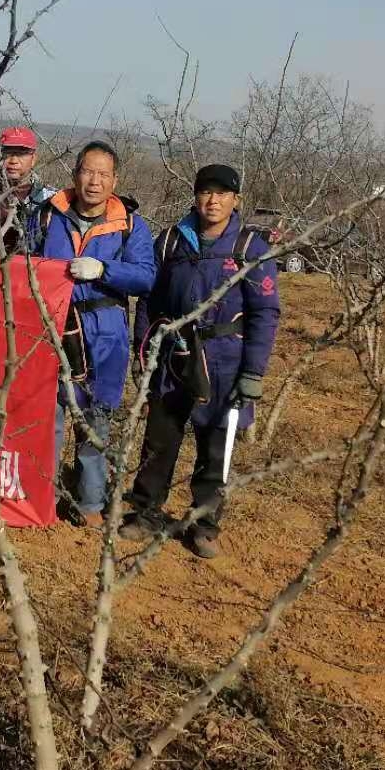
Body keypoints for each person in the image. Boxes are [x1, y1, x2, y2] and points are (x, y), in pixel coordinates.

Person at [123, 163, 281, 559]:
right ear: (195, 196)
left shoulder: (249, 249)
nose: (213, 201)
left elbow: (265, 312)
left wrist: (253, 372)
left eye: (222, 194)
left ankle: (204, 524)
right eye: (206, 192)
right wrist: (144, 350)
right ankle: (146, 512)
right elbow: (149, 300)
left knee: (216, 445)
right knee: (160, 438)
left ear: (235, 200)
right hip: (173, 354)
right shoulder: (172, 242)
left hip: (224, 360)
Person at [40, 141, 157, 527]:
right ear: (75, 174)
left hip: (106, 334)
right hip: (54, 327)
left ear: (114, 180)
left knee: (96, 419)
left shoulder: (130, 224)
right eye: (88, 172)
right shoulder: (49, 215)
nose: (94, 181)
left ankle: (90, 503)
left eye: (103, 174)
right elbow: (25, 262)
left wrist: (104, 270)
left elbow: (146, 276)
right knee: (49, 416)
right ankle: (44, 495)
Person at [0, 126, 56, 253]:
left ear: (33, 159)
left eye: (21, 153)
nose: (13, 160)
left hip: (30, 268)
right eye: (8, 153)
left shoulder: (50, 200)